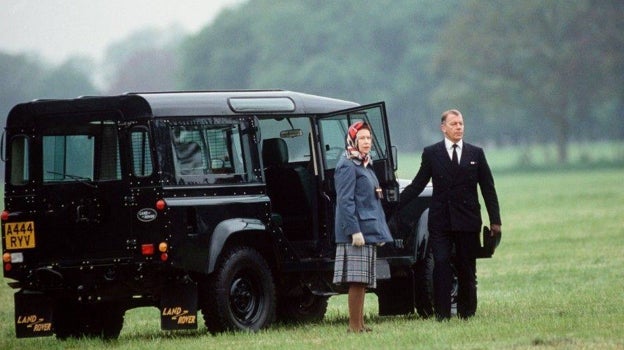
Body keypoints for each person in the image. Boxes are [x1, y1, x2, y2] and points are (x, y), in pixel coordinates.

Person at [400, 109, 502, 321]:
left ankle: (467, 313)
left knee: (466, 266)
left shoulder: (476, 153)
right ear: (443, 127)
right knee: (442, 263)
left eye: (461, 123)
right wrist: (394, 203)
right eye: (454, 124)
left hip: (468, 220)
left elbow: (488, 188)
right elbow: (418, 184)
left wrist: (495, 221)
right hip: (441, 221)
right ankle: (442, 314)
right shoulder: (431, 153)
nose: (459, 127)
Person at [333, 121, 394, 333]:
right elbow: (345, 201)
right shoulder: (347, 165)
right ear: (353, 140)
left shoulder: (365, 164)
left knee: (364, 281)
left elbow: (373, 201)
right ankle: (354, 327)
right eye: (362, 138)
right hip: (356, 233)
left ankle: (360, 325)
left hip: (369, 230)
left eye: (369, 138)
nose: (367, 142)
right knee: (357, 281)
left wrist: (380, 231)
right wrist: (354, 231)